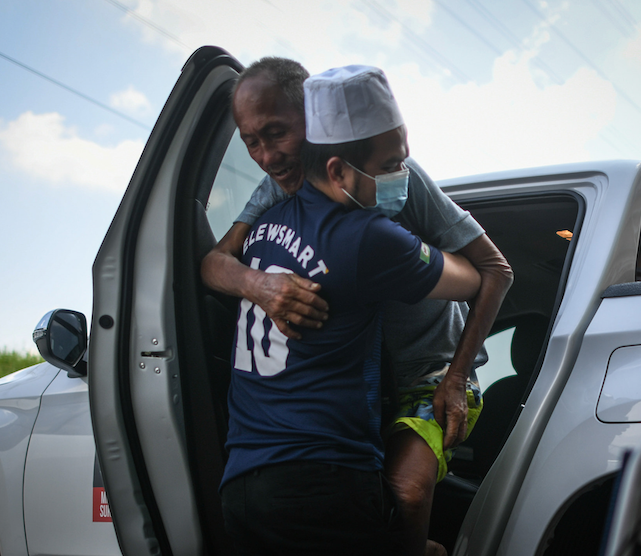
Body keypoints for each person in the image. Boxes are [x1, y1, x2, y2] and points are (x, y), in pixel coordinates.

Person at [202, 58, 513, 556]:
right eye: (251, 142)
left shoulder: (399, 182)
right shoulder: (278, 191)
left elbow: (495, 271)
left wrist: (455, 379)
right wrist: (259, 285)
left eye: (278, 133)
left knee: (407, 494)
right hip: (361, 383)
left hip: (427, 373)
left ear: (315, 119)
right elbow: (214, 263)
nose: (266, 156)